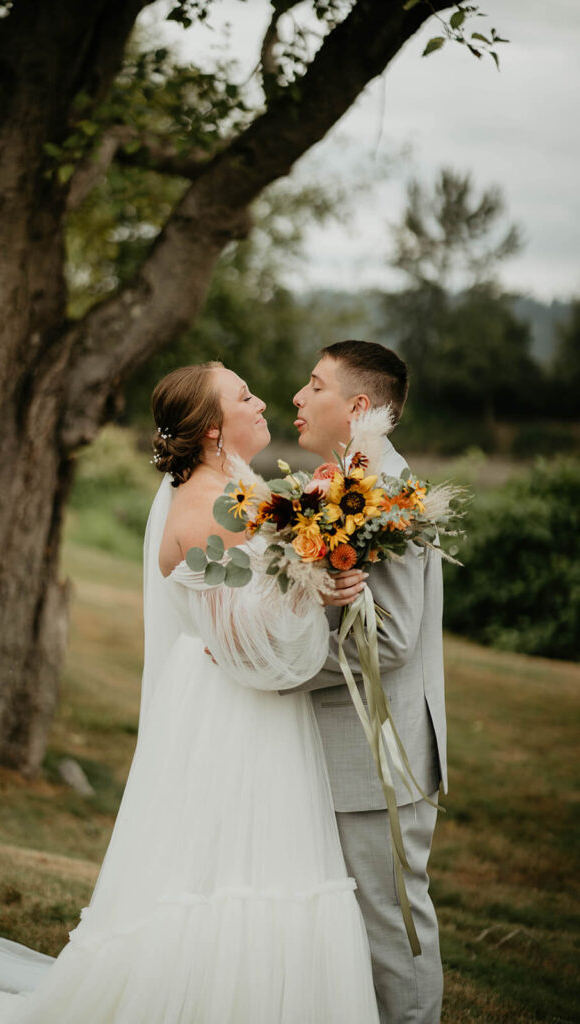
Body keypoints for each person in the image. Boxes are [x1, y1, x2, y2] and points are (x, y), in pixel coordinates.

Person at [0, 362, 380, 1023]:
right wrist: (315, 591)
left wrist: (309, 575)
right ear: (213, 429)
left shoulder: (232, 487)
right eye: (244, 396)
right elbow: (254, 653)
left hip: (219, 700)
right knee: (236, 867)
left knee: (223, 867)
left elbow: (244, 619)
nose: (261, 400)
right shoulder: (212, 506)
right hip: (234, 711)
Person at [287, 340, 447, 1024]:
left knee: (389, 926)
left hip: (378, 752)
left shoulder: (386, 492)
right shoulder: (351, 478)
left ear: (357, 406)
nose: (297, 396)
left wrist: (276, 670)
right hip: (345, 749)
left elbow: (389, 638)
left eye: (314, 385)